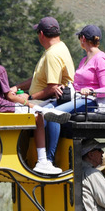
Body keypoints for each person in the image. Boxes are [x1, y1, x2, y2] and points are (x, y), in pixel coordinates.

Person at [0, 35, 72, 175]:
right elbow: (8, 96)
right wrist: (24, 100)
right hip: (0, 109)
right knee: (38, 116)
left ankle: (43, 109)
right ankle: (42, 161)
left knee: (32, 108)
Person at [44, 24, 105, 162]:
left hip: (91, 102)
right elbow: (78, 84)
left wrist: (91, 92)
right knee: (43, 110)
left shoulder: (101, 59)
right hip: (77, 98)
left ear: (83, 39)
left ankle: (49, 159)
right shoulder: (84, 60)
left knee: (54, 115)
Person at [16, 17, 76, 164]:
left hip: (47, 100)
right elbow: (39, 78)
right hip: (50, 98)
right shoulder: (60, 47)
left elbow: (51, 88)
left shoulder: (52, 54)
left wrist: (29, 98)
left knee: (17, 109)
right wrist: (17, 87)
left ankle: (24, 157)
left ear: (41, 34)